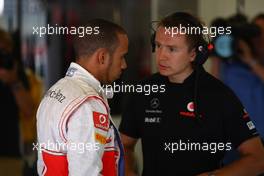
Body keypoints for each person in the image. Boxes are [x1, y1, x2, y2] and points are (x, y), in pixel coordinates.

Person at [119, 12, 264, 176]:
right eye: (158, 46)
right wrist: (129, 172)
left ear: (194, 53)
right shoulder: (144, 90)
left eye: (172, 49)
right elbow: (124, 145)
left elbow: (258, 158)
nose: (161, 56)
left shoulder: (219, 96)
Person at [36, 19, 128, 176]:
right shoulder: (87, 104)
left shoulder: (57, 90)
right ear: (103, 57)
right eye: (122, 57)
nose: (124, 65)